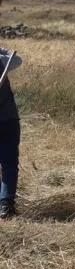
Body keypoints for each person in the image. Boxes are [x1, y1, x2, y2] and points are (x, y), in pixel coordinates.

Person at [0, 47, 23, 219]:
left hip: (8, 121)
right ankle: (6, 205)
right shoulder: (2, 61)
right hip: (8, 120)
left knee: (8, 164)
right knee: (9, 164)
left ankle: (5, 204)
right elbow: (17, 59)